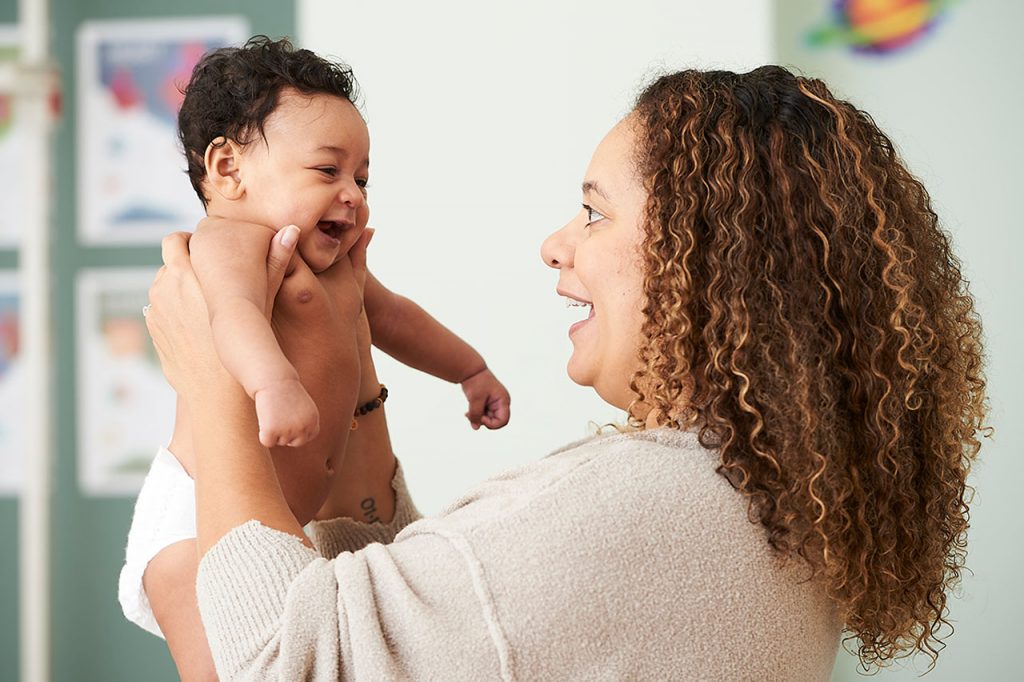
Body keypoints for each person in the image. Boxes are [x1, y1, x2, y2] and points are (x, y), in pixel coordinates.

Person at [144, 65, 988, 680]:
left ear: (712, 260)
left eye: (595, 210)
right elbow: (420, 637)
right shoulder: (759, 501)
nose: (557, 242)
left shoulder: (634, 507)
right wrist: (350, 370)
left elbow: (279, 665)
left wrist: (213, 387)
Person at [118, 37, 509, 680]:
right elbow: (233, 315)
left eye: (361, 177)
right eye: (327, 172)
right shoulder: (230, 241)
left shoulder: (332, 265)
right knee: (224, 669)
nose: (352, 194)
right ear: (227, 169)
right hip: (192, 516)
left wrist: (468, 369)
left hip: (282, 516)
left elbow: (391, 318)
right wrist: (272, 382)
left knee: (294, 645)